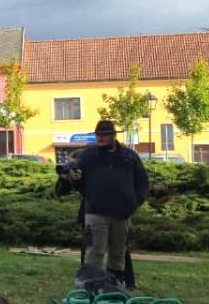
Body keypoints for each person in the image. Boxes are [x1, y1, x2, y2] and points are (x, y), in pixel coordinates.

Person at [71, 120, 148, 284]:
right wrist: (75, 178)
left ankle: (115, 284)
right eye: (97, 135)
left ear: (113, 136)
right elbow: (77, 179)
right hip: (96, 212)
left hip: (122, 214)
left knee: (118, 253)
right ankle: (90, 284)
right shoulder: (88, 155)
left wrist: (135, 202)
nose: (100, 138)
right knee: (95, 251)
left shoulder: (129, 156)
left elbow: (142, 180)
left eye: (104, 135)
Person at [55, 149, 136, 289]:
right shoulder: (76, 173)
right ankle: (87, 281)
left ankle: (125, 281)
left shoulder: (97, 172)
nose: (73, 166)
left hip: (111, 212)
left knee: (118, 248)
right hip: (89, 214)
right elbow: (60, 191)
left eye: (75, 163)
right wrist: (64, 177)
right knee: (89, 248)